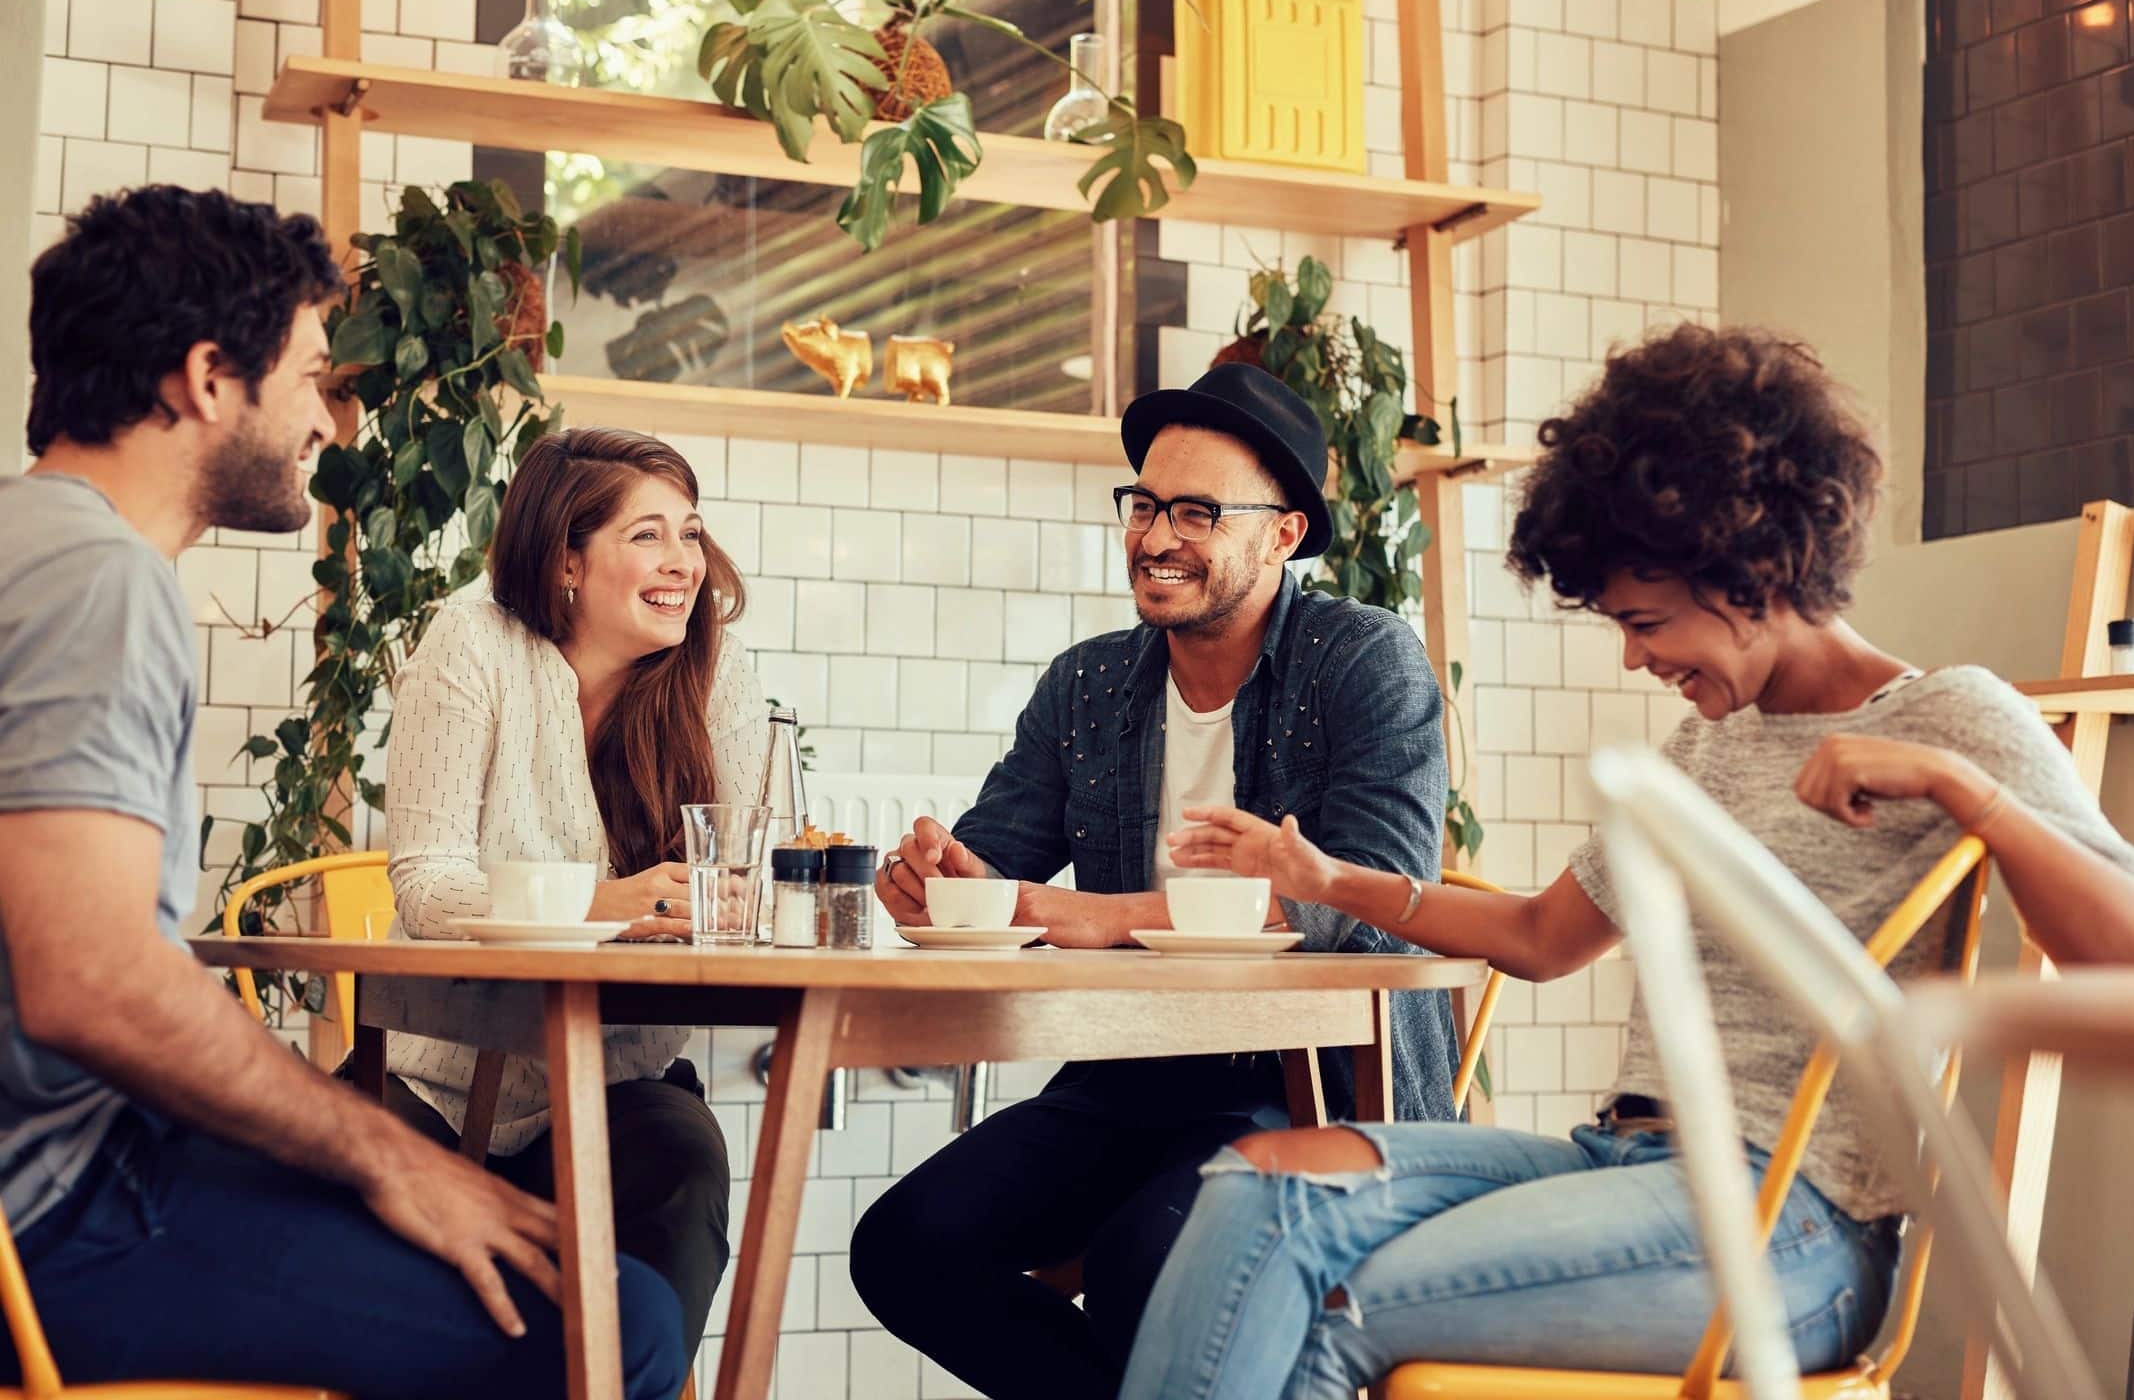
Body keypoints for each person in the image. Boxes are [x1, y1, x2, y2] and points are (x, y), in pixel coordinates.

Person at [1115, 324, 2134, 1400]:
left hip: (1793, 1228)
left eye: (1647, 622)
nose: (1635, 656)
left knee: (1343, 1297)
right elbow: (1539, 938)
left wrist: (1966, 793)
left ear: (1755, 575)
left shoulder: (1951, 716)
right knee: (1254, 1194)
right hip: (1624, 1161)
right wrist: (1329, 881)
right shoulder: (1712, 739)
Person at [0, 185, 684, 1398]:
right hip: (56, 1210)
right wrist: (388, 1156)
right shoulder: (100, 586)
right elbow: (92, 984)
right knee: (609, 1320)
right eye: (313, 377)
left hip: (77, 1166)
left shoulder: (33, 547)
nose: (330, 421)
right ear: (210, 377)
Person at [850, 362, 1458, 1400]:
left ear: (1284, 535)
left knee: (1150, 1260)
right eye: (1144, 504)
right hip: (1127, 1071)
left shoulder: (1365, 662)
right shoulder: (1089, 682)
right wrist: (940, 881)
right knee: (906, 1246)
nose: (1156, 535)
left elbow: (1365, 893)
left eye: (1198, 511)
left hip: (1310, 1083)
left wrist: (1098, 918)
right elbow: (999, 856)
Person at [377, 426, 761, 1364]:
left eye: (692, 532)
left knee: (683, 1164)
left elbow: (740, 885)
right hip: (442, 1078)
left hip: (616, 1079)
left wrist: (742, 907)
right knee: (396, 1268)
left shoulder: (721, 676)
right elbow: (428, 884)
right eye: (648, 536)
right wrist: (613, 902)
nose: (684, 564)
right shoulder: (473, 642)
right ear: (566, 561)